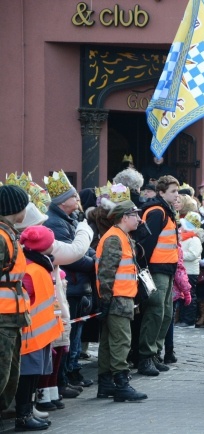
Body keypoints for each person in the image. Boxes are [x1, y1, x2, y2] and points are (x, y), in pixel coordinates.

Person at [43, 170, 96, 389]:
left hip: (77, 287)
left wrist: (93, 257)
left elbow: (86, 250)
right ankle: (62, 380)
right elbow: (71, 257)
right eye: (74, 196)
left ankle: (69, 374)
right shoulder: (56, 223)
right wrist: (96, 264)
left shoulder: (70, 219)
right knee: (68, 338)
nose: (78, 199)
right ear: (64, 201)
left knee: (74, 337)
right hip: (71, 286)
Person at [95, 200, 147, 402]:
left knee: (110, 342)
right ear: (125, 217)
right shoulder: (115, 238)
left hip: (119, 296)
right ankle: (121, 384)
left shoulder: (121, 236)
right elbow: (107, 272)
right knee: (120, 341)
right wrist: (106, 300)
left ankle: (107, 384)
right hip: (117, 297)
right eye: (135, 215)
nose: (139, 219)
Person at [15, 225, 63, 431]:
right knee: (28, 374)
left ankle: (28, 409)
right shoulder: (31, 268)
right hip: (31, 333)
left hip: (39, 332)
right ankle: (23, 414)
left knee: (35, 373)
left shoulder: (38, 264)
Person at [135, 175, 179, 376]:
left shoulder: (166, 211)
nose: (177, 195)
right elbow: (146, 244)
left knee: (166, 313)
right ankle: (146, 356)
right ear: (161, 192)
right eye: (173, 191)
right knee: (155, 311)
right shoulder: (156, 212)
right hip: (156, 269)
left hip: (167, 268)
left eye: (177, 191)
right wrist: (144, 271)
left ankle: (155, 353)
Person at [0, 186, 31, 419]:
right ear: (15, 209)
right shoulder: (2, 237)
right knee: (3, 372)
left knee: (9, 372)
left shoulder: (8, 233)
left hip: (11, 316)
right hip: (3, 316)